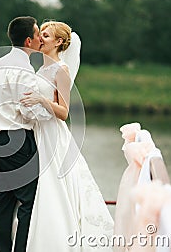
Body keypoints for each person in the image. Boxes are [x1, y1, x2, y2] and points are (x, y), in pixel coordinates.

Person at [20, 21, 114, 251]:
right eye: (40, 34)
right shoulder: (41, 69)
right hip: (39, 133)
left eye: (46, 35)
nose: (40, 39)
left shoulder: (61, 70)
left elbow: (63, 112)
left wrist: (42, 100)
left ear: (59, 42)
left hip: (54, 136)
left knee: (53, 186)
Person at [0, 16, 52, 252]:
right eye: (37, 34)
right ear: (29, 40)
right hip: (18, 140)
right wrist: (50, 114)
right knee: (29, 201)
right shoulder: (23, 68)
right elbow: (28, 109)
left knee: (2, 203)